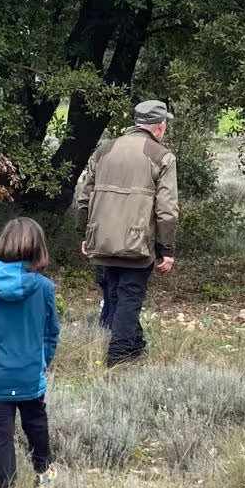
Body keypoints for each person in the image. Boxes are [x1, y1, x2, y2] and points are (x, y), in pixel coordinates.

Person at [75, 100, 180, 367]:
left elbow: (84, 199)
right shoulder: (162, 156)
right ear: (160, 126)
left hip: (102, 239)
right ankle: (119, 356)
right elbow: (167, 210)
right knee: (129, 297)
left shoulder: (104, 150)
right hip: (137, 243)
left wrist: (84, 234)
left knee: (115, 294)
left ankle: (136, 347)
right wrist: (166, 250)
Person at [0, 218, 61, 488]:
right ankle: (44, 474)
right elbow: (51, 332)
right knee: (36, 425)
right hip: (30, 373)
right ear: (38, 247)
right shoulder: (44, 288)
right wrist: (43, 362)